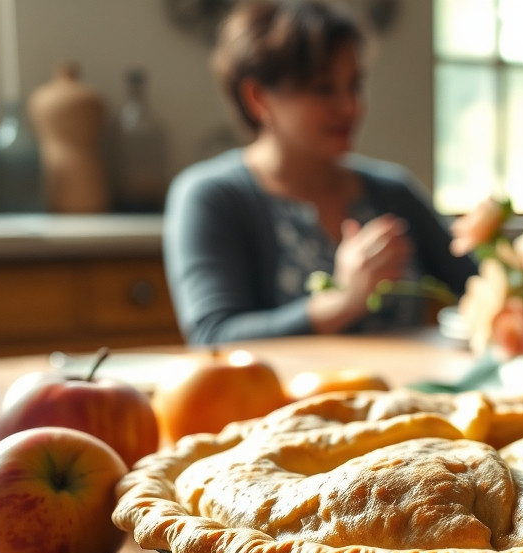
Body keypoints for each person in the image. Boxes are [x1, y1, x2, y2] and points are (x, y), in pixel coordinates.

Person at [163, 0, 474, 344]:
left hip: (407, 396)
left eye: (354, 85)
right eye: (323, 88)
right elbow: (213, 336)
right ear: (257, 97)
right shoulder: (213, 197)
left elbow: (477, 287)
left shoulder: (394, 192)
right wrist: (342, 302)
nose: (349, 107)